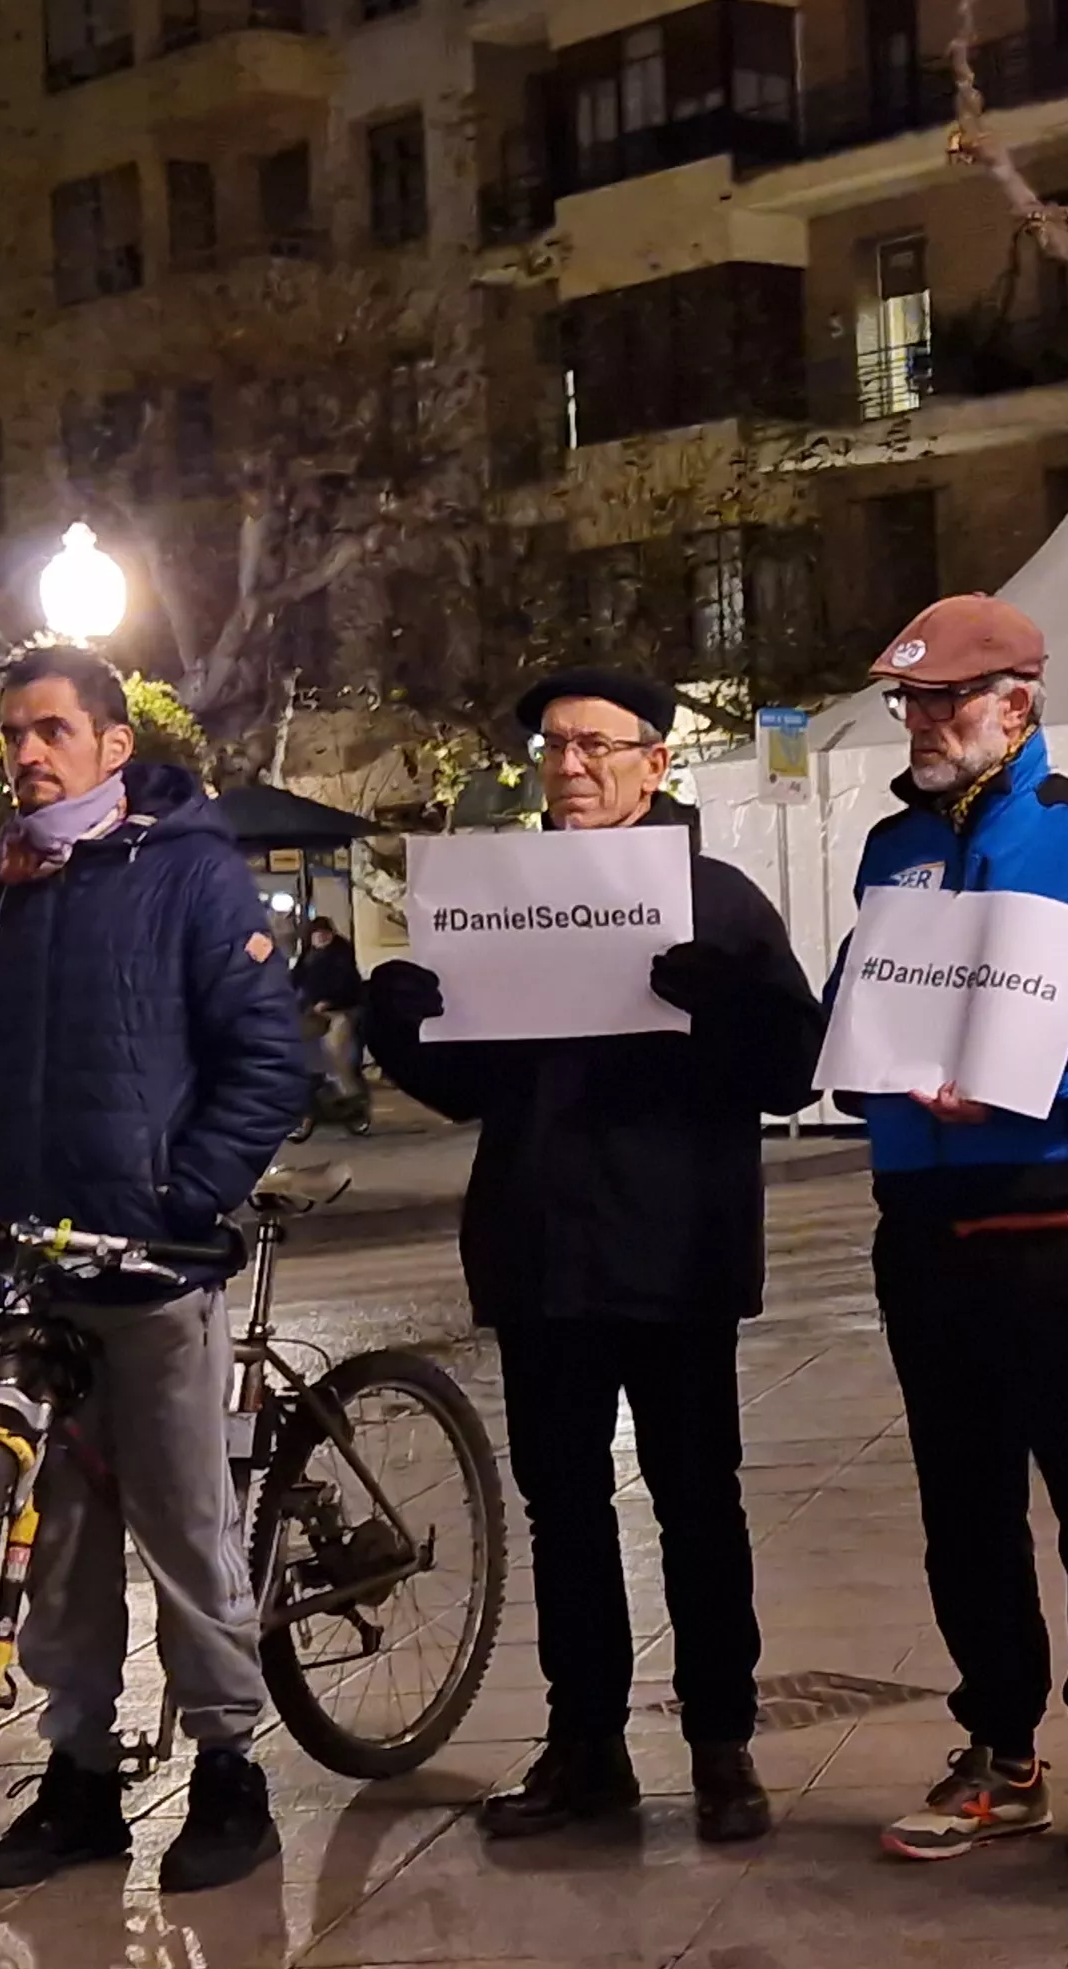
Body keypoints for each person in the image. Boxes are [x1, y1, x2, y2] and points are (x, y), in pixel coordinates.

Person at [360, 668, 824, 1846]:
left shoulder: (716, 900)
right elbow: (469, 1087)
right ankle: (587, 1747)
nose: (569, 767)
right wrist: (401, 1024)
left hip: (675, 1255)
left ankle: (722, 1745)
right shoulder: (498, 898)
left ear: (653, 763)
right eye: (553, 748)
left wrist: (730, 1006)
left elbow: (790, 1072)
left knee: (696, 1504)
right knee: (560, 1507)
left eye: (596, 747)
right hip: (540, 1251)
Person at [0, 643, 310, 1896]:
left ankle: (231, 1770)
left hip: (150, 1264)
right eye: (13, 732)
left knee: (186, 1523)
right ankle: (79, 1776)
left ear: (112, 745)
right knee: (52, 1538)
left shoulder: (190, 875)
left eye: (54, 731)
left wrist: (185, 1197)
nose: (27, 753)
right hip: (24, 1270)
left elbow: (265, 1062)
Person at [842, 595, 1068, 1874]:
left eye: (944, 701)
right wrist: (859, 1031)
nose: (924, 723)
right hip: (924, 1227)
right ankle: (1002, 1746)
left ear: (1016, 703)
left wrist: (1021, 1070)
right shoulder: (892, 847)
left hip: (1063, 1225)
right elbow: (862, 991)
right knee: (962, 1505)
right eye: (911, 703)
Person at [294, 913, 370, 1135]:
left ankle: (350, 1095)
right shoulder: (308, 957)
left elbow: (346, 983)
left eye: (325, 934)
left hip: (341, 1011)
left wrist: (328, 1001)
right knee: (300, 1051)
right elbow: (295, 980)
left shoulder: (341, 954)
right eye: (317, 935)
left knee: (336, 1051)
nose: (321, 939)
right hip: (313, 1014)